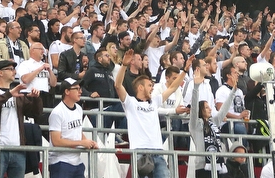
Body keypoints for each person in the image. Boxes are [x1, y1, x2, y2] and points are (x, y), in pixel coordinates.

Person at [115, 48, 186, 178]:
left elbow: (173, 87)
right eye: (149, 85)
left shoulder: (154, 101)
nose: (152, 88)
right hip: (139, 152)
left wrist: (185, 71)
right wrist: (124, 65)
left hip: (158, 151)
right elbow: (118, 85)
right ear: (140, 87)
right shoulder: (130, 103)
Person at [0, 59, 42, 178]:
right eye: (10, 69)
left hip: (18, 149)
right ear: (0, 73)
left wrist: (36, 99)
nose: (14, 72)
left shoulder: (18, 94)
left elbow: (36, 113)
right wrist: (8, 95)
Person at [190, 64, 238, 178]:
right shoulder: (195, 124)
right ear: (201, 110)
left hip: (217, 164)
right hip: (202, 165)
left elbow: (223, 111)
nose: (210, 109)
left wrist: (233, 92)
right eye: (206, 107)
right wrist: (196, 87)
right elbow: (193, 108)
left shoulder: (213, 122)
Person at [48, 79, 98, 178]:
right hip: (60, 162)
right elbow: (56, 141)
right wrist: (81, 143)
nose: (80, 91)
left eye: (80, 88)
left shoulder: (79, 109)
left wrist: (89, 142)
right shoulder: (57, 112)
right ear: (67, 92)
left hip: (77, 162)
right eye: (77, 89)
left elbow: (78, 132)